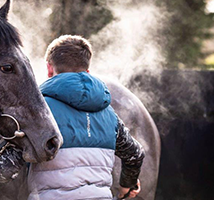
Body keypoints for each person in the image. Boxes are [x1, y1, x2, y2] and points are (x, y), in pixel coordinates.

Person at [27, 35, 146, 199]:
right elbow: (135, 153)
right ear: (87, 72)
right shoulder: (109, 113)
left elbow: (7, 164)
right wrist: (127, 184)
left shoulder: (39, 111)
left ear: (49, 68)